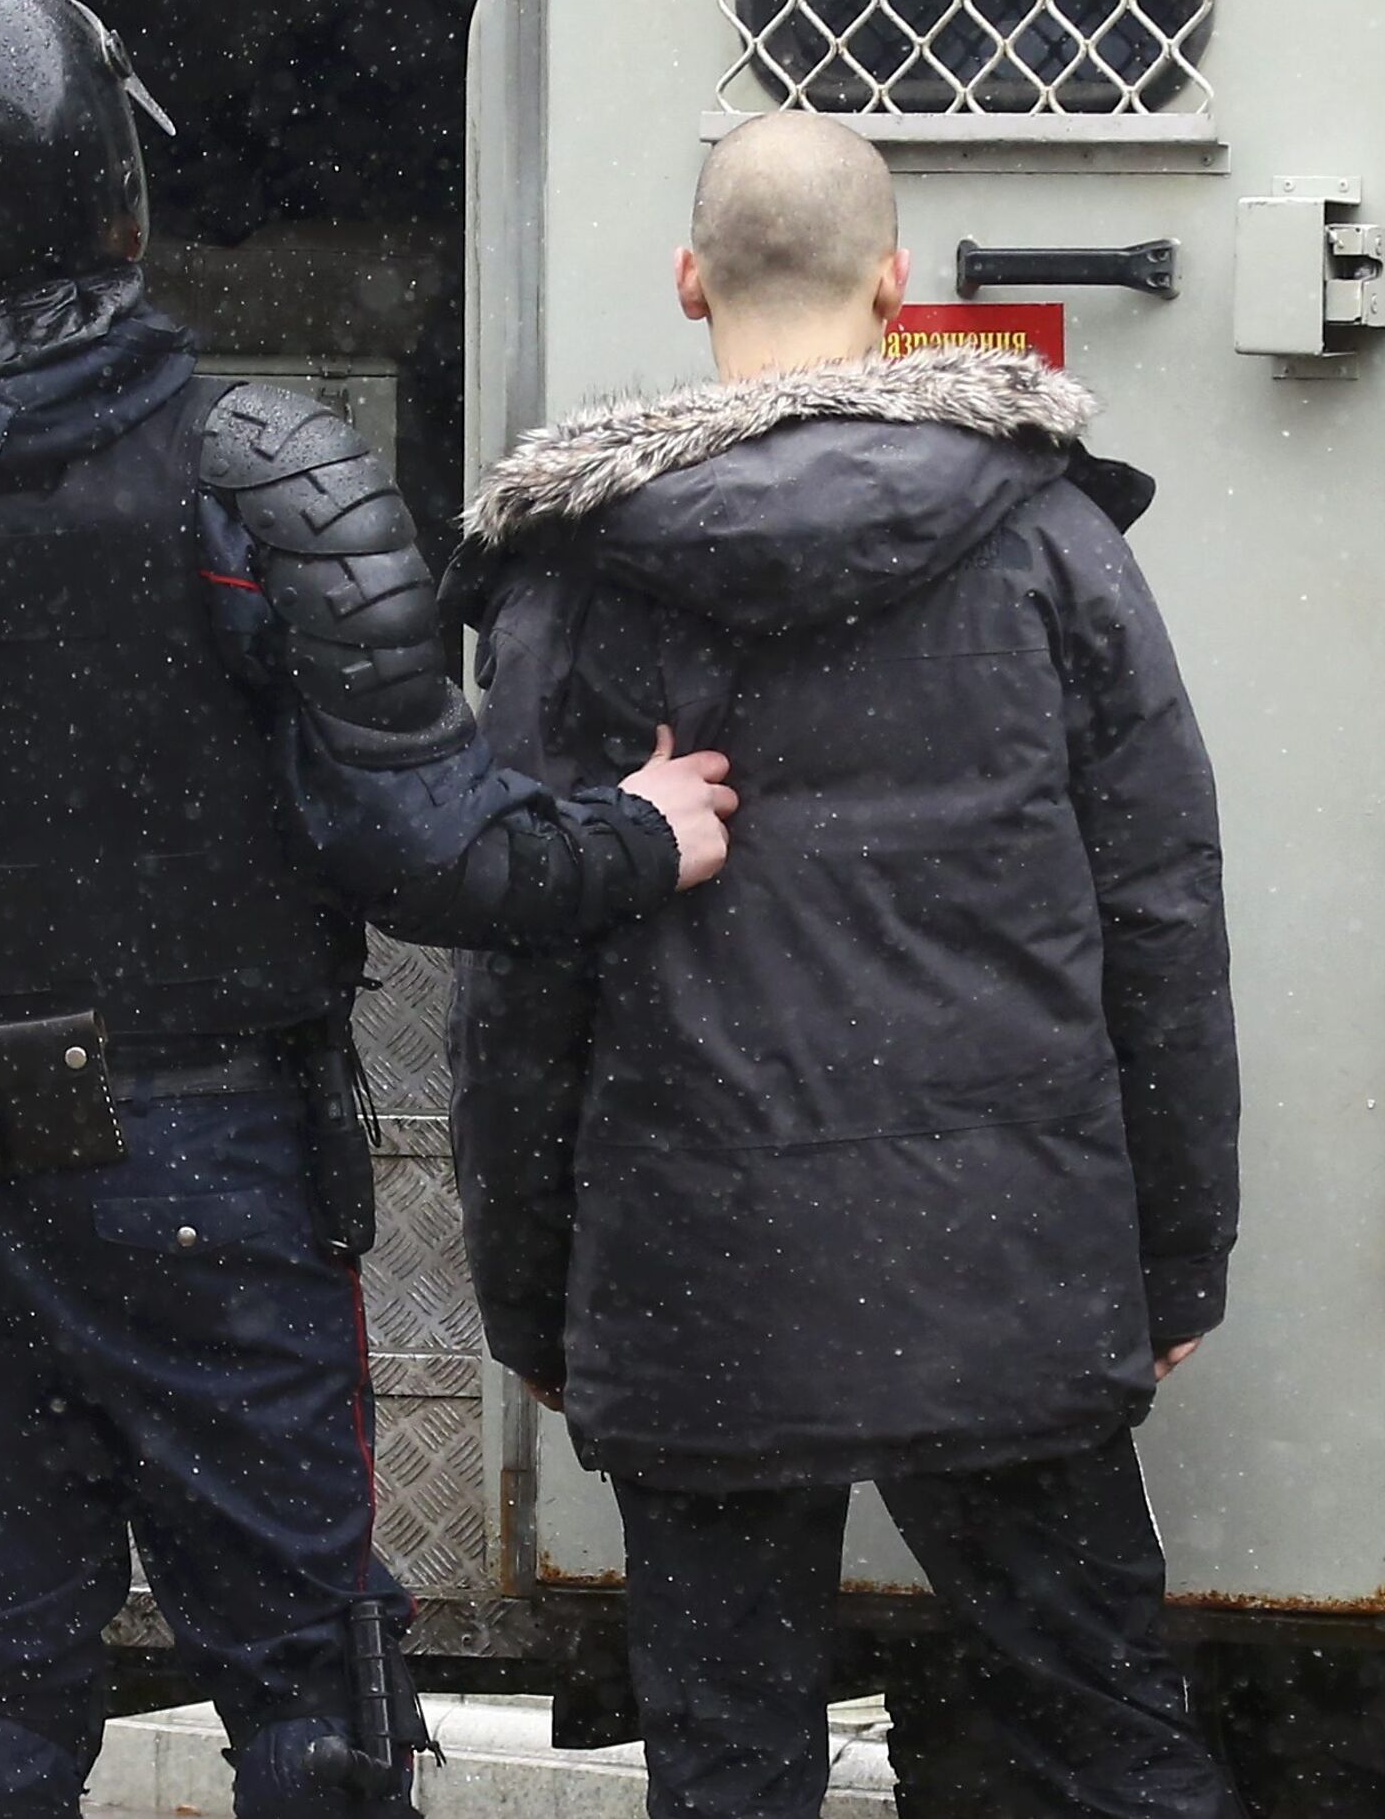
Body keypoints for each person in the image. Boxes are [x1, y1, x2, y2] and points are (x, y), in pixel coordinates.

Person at [0, 0, 735, 1819]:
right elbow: (428, 850)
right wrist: (640, 829)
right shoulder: (257, 473)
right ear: (106, 188)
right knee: (310, 1687)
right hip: (209, 1164)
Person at [446, 110, 1240, 1819]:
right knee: (1109, 1740)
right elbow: (1164, 914)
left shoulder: (573, 580)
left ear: (689, 282)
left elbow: (520, 976)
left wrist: (527, 1287)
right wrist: (1176, 1250)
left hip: (699, 1270)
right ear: (896, 283)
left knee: (732, 1767)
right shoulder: (1051, 543)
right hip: (1005, 1258)